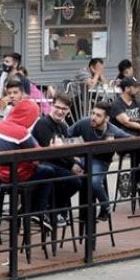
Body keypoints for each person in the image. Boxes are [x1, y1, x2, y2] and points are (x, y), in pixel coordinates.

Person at [0, 99, 55, 227]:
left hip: (1, 174)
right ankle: (37, 211)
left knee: (41, 172)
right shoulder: (21, 132)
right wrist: (53, 147)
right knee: (49, 171)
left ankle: (25, 209)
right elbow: (38, 153)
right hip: (18, 175)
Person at [68, 102, 131, 221]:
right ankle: (60, 211)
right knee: (64, 177)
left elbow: (132, 142)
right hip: (83, 158)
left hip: (101, 161)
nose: (93, 117)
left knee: (95, 182)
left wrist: (116, 146)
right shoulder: (84, 123)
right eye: (92, 113)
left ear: (106, 118)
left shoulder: (115, 132)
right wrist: (73, 156)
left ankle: (106, 206)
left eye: (98, 115)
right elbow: (67, 134)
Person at [30, 93, 82, 224]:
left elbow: (66, 149)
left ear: (68, 110)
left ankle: (76, 214)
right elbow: (52, 152)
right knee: (74, 181)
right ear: (51, 106)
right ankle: (53, 209)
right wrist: (71, 164)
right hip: (44, 164)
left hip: (57, 163)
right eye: (57, 107)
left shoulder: (63, 126)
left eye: (64, 109)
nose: (60, 111)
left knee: (84, 174)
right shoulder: (43, 123)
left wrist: (74, 162)